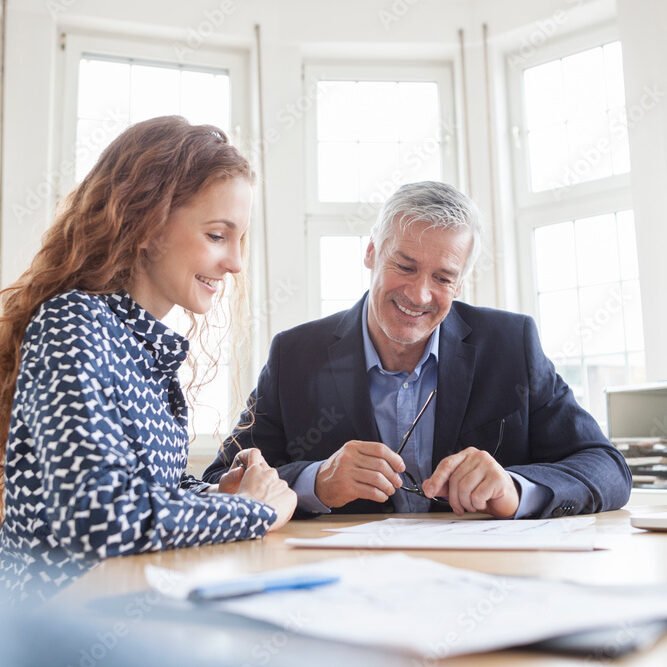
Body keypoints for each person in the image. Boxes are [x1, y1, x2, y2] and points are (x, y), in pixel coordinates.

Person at [203, 181, 631, 519]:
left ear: (460, 283)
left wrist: (515, 489)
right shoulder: (295, 354)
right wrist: (317, 482)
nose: (420, 294)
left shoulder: (511, 345)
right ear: (371, 252)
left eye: (443, 278)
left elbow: (607, 466)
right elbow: (222, 477)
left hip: (485, 582)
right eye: (405, 266)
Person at [0, 116, 296, 604]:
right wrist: (252, 510)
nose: (236, 263)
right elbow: (101, 520)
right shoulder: (73, 324)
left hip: (122, 603)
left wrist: (217, 494)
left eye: (240, 240)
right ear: (146, 224)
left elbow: (147, 488)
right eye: (218, 236)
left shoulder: (140, 341)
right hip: (53, 623)